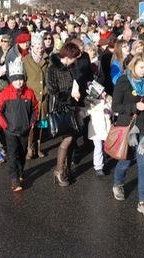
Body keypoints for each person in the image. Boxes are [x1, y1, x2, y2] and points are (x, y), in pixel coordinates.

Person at [111, 53, 144, 219]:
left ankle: (143, 202)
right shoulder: (123, 81)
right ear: (133, 66)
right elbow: (115, 106)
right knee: (126, 160)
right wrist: (134, 106)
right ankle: (118, 182)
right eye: (141, 68)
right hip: (128, 128)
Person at [0, 57, 39, 192]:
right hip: (11, 131)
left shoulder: (29, 93)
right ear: (11, 80)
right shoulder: (5, 94)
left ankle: (20, 172)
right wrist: (5, 125)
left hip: (24, 129)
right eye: (15, 79)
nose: (18, 82)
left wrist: (32, 122)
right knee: (12, 154)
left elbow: (35, 109)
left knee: (22, 152)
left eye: (20, 79)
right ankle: (14, 179)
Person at [47, 41, 82, 187]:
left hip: (71, 106)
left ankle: (65, 168)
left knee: (72, 138)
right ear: (68, 56)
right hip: (60, 108)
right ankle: (59, 170)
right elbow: (52, 91)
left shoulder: (70, 67)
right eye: (75, 57)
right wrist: (70, 94)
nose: (76, 60)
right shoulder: (53, 69)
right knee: (67, 139)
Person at [22, 33, 49, 159]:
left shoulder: (47, 59)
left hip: (43, 98)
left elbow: (49, 77)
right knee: (32, 125)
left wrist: (47, 90)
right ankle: (29, 148)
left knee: (41, 125)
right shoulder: (26, 60)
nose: (39, 50)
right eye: (37, 48)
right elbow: (23, 79)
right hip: (31, 98)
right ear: (31, 47)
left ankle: (39, 147)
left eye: (41, 47)